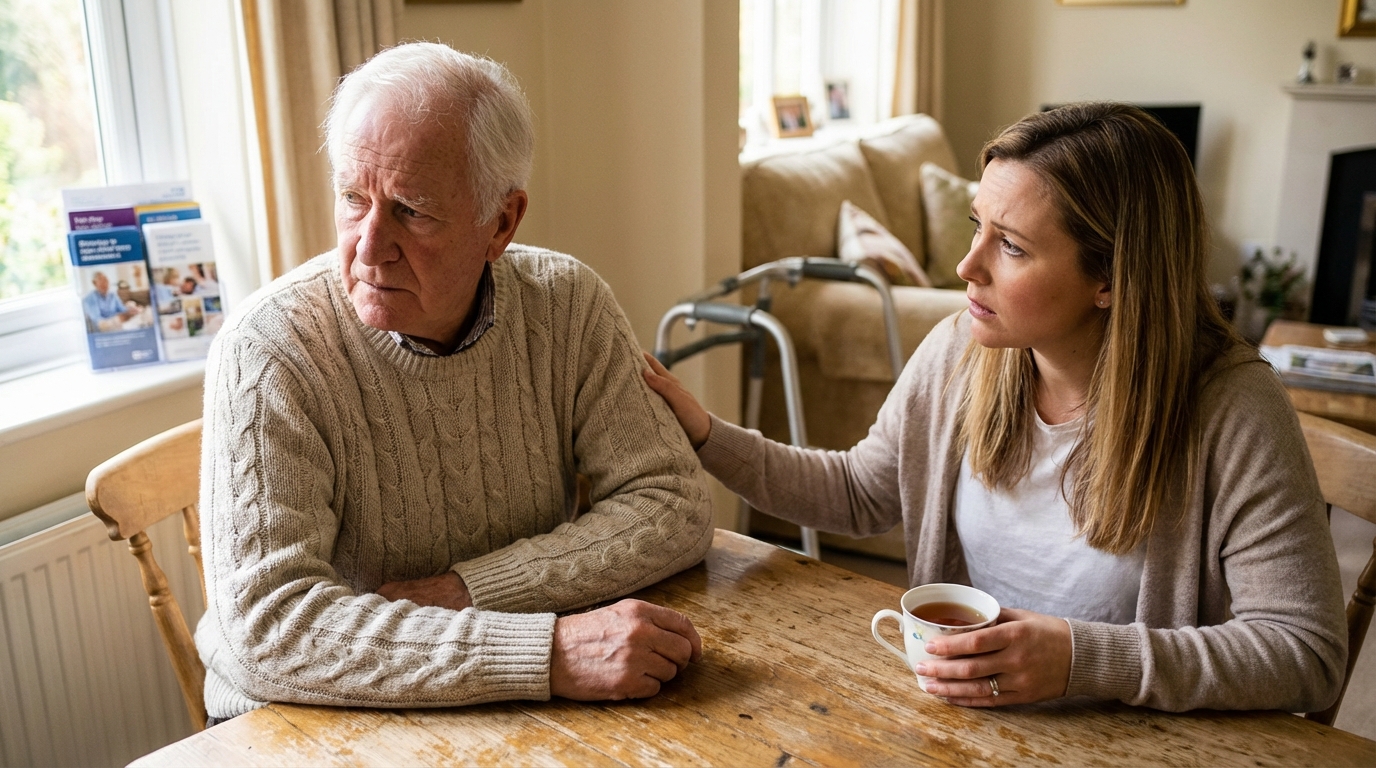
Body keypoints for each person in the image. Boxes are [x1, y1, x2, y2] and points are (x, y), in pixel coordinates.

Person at [644, 102, 1348, 714]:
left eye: (1010, 246)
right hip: (965, 727)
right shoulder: (960, 349)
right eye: (976, 225)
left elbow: (1305, 653)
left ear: (1111, 277)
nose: (967, 266)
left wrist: (1082, 660)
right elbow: (861, 492)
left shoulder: (1234, 409)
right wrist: (706, 435)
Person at [196, 42, 713, 724]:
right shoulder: (269, 349)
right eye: (353, 199)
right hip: (308, 716)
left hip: (494, 700)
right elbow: (269, 628)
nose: (369, 247)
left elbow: (674, 503)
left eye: (411, 211)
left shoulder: (567, 304)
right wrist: (546, 652)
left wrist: (468, 591)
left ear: (501, 223)